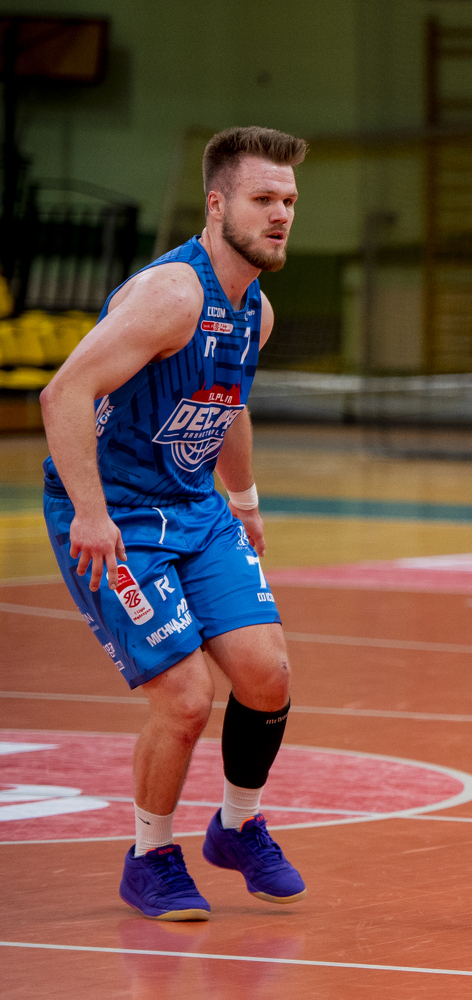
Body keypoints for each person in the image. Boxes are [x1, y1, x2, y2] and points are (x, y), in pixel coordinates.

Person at [38, 127, 308, 921]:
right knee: (187, 697)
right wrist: (92, 513)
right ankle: (150, 856)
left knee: (267, 674)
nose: (281, 215)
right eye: (263, 199)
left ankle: (237, 827)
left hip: (195, 506)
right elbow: (63, 394)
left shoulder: (254, 310)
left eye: (289, 201)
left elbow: (229, 403)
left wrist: (244, 499)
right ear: (216, 205)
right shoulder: (172, 296)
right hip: (116, 512)